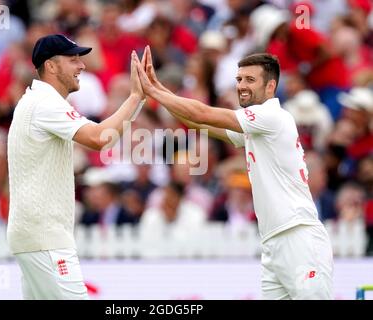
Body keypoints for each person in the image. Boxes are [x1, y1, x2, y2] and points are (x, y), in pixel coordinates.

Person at [135, 46, 333, 300]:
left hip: (298, 236)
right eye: (239, 79)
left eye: (250, 80)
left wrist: (153, 91)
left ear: (271, 87)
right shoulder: (256, 125)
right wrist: (159, 88)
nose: (241, 85)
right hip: (274, 241)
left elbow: (202, 113)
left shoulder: (271, 117)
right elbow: (198, 122)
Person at [7, 34, 145, 300]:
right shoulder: (45, 103)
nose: (81, 65)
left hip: (36, 236)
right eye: (73, 60)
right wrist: (135, 97)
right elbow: (99, 139)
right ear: (51, 66)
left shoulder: (37, 100)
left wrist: (136, 99)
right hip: (45, 237)